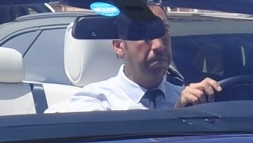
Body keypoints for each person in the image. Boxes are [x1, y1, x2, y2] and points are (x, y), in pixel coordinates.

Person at [54, 8, 220, 110]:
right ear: (119, 46)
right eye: (144, 34)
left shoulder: (191, 101)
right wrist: (177, 119)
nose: (159, 45)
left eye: (164, 32)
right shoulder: (94, 100)